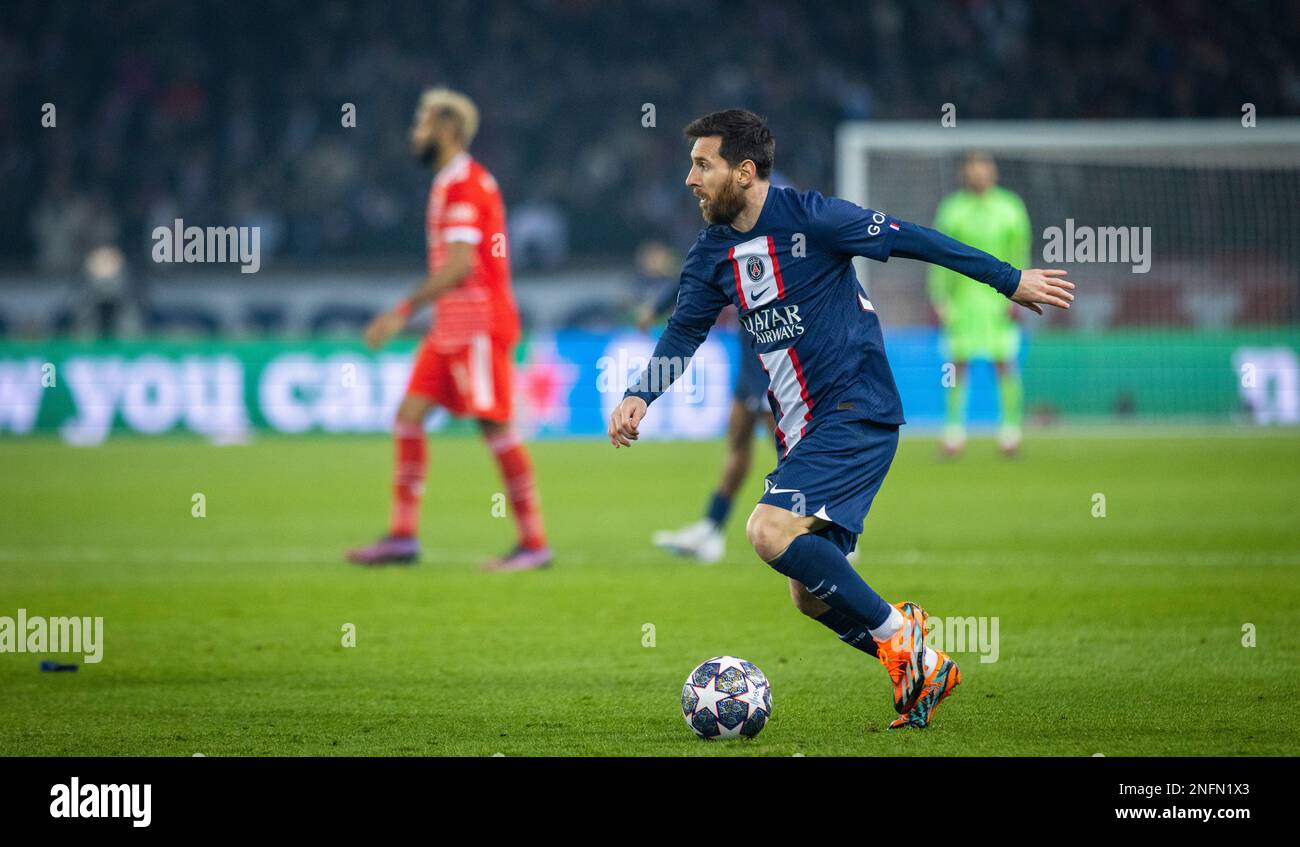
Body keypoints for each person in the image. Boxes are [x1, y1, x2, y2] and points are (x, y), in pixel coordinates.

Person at [607, 110, 1073, 728]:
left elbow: (913, 238)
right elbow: (683, 332)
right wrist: (643, 393)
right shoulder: (712, 252)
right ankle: (917, 659)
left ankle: (904, 641)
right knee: (807, 593)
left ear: (744, 172)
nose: (689, 179)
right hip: (802, 432)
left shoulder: (813, 218)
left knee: (767, 532)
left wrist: (1008, 279)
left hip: (856, 409)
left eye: (702, 164)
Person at [348, 87, 551, 572]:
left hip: (478, 323)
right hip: (450, 326)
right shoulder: (449, 182)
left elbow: (460, 265)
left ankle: (533, 543)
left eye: (421, 124)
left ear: (448, 129)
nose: (413, 133)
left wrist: (402, 310)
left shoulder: (466, 183)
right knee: (408, 415)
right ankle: (402, 536)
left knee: (495, 426)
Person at [633, 241, 774, 564]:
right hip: (751, 354)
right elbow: (696, 274)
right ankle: (711, 529)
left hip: (777, 356)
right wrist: (657, 308)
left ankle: (829, 533)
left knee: (790, 452)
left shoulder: (773, 224)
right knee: (738, 441)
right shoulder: (732, 232)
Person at [928, 152, 1032, 456]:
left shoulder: (1011, 208)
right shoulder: (952, 209)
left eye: (984, 167)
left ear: (993, 172)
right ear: (965, 173)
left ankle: (1010, 432)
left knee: (1005, 363)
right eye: (973, 168)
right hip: (963, 301)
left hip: (1000, 299)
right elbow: (936, 256)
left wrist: (1020, 293)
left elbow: (1020, 251)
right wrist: (939, 298)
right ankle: (953, 432)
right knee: (956, 365)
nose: (979, 173)